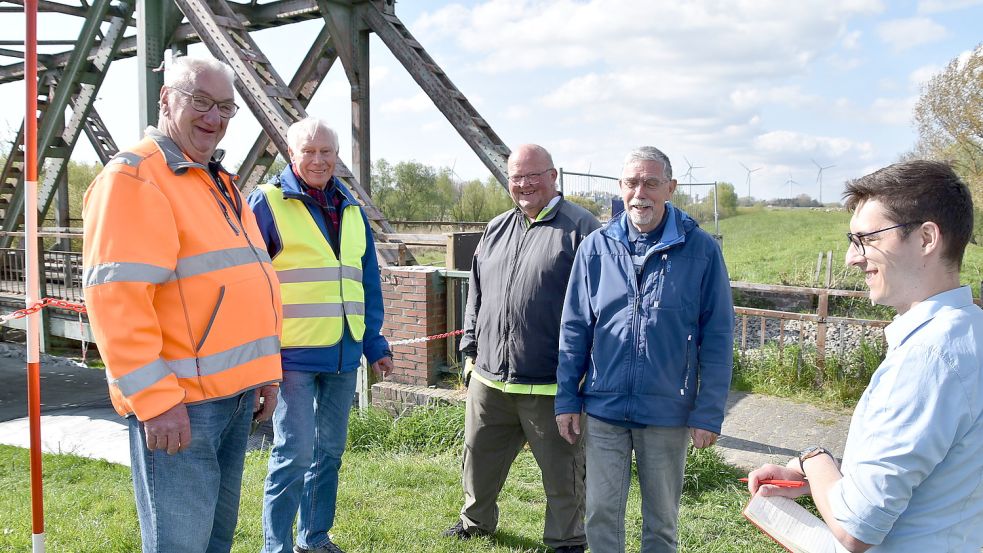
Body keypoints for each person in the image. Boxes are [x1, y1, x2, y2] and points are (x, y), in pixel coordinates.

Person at [82, 56, 282, 553]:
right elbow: (116, 301)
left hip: (235, 397)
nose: (213, 118)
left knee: (215, 540)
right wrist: (155, 402)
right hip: (182, 406)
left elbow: (242, 283)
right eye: (200, 102)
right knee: (181, 545)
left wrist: (266, 373)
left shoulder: (217, 179)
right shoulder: (135, 178)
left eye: (226, 108)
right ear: (166, 99)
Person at [747, 160, 983, 552]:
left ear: (926, 238)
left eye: (867, 238)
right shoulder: (970, 330)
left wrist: (814, 459)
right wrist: (825, 481)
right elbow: (933, 468)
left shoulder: (927, 359)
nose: (851, 258)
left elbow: (854, 526)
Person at [554, 146, 734, 553]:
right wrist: (567, 398)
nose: (641, 193)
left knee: (661, 523)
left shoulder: (701, 250)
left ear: (670, 188)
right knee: (600, 513)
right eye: (632, 183)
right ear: (621, 188)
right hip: (604, 408)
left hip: (667, 411)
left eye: (651, 183)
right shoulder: (595, 248)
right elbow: (574, 329)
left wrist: (708, 411)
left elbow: (719, 337)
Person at [442, 144, 600, 552]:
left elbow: (600, 308)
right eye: (516, 177)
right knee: (478, 459)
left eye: (533, 175)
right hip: (490, 379)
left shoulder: (583, 230)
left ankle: (567, 540)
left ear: (553, 176)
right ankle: (475, 522)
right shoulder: (496, 228)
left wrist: (583, 375)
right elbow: (476, 293)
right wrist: (469, 351)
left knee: (563, 473)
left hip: (551, 385)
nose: (524, 184)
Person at [248, 117, 393, 553]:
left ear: (336, 156)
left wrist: (375, 344)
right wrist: (257, 354)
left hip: (344, 353)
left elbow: (366, 280)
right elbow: (251, 282)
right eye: (308, 151)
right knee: (292, 455)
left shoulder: (351, 208)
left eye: (325, 151)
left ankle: (314, 538)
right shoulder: (267, 203)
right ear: (291, 155)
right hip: (291, 354)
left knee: (328, 452)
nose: (317, 159)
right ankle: (276, 547)